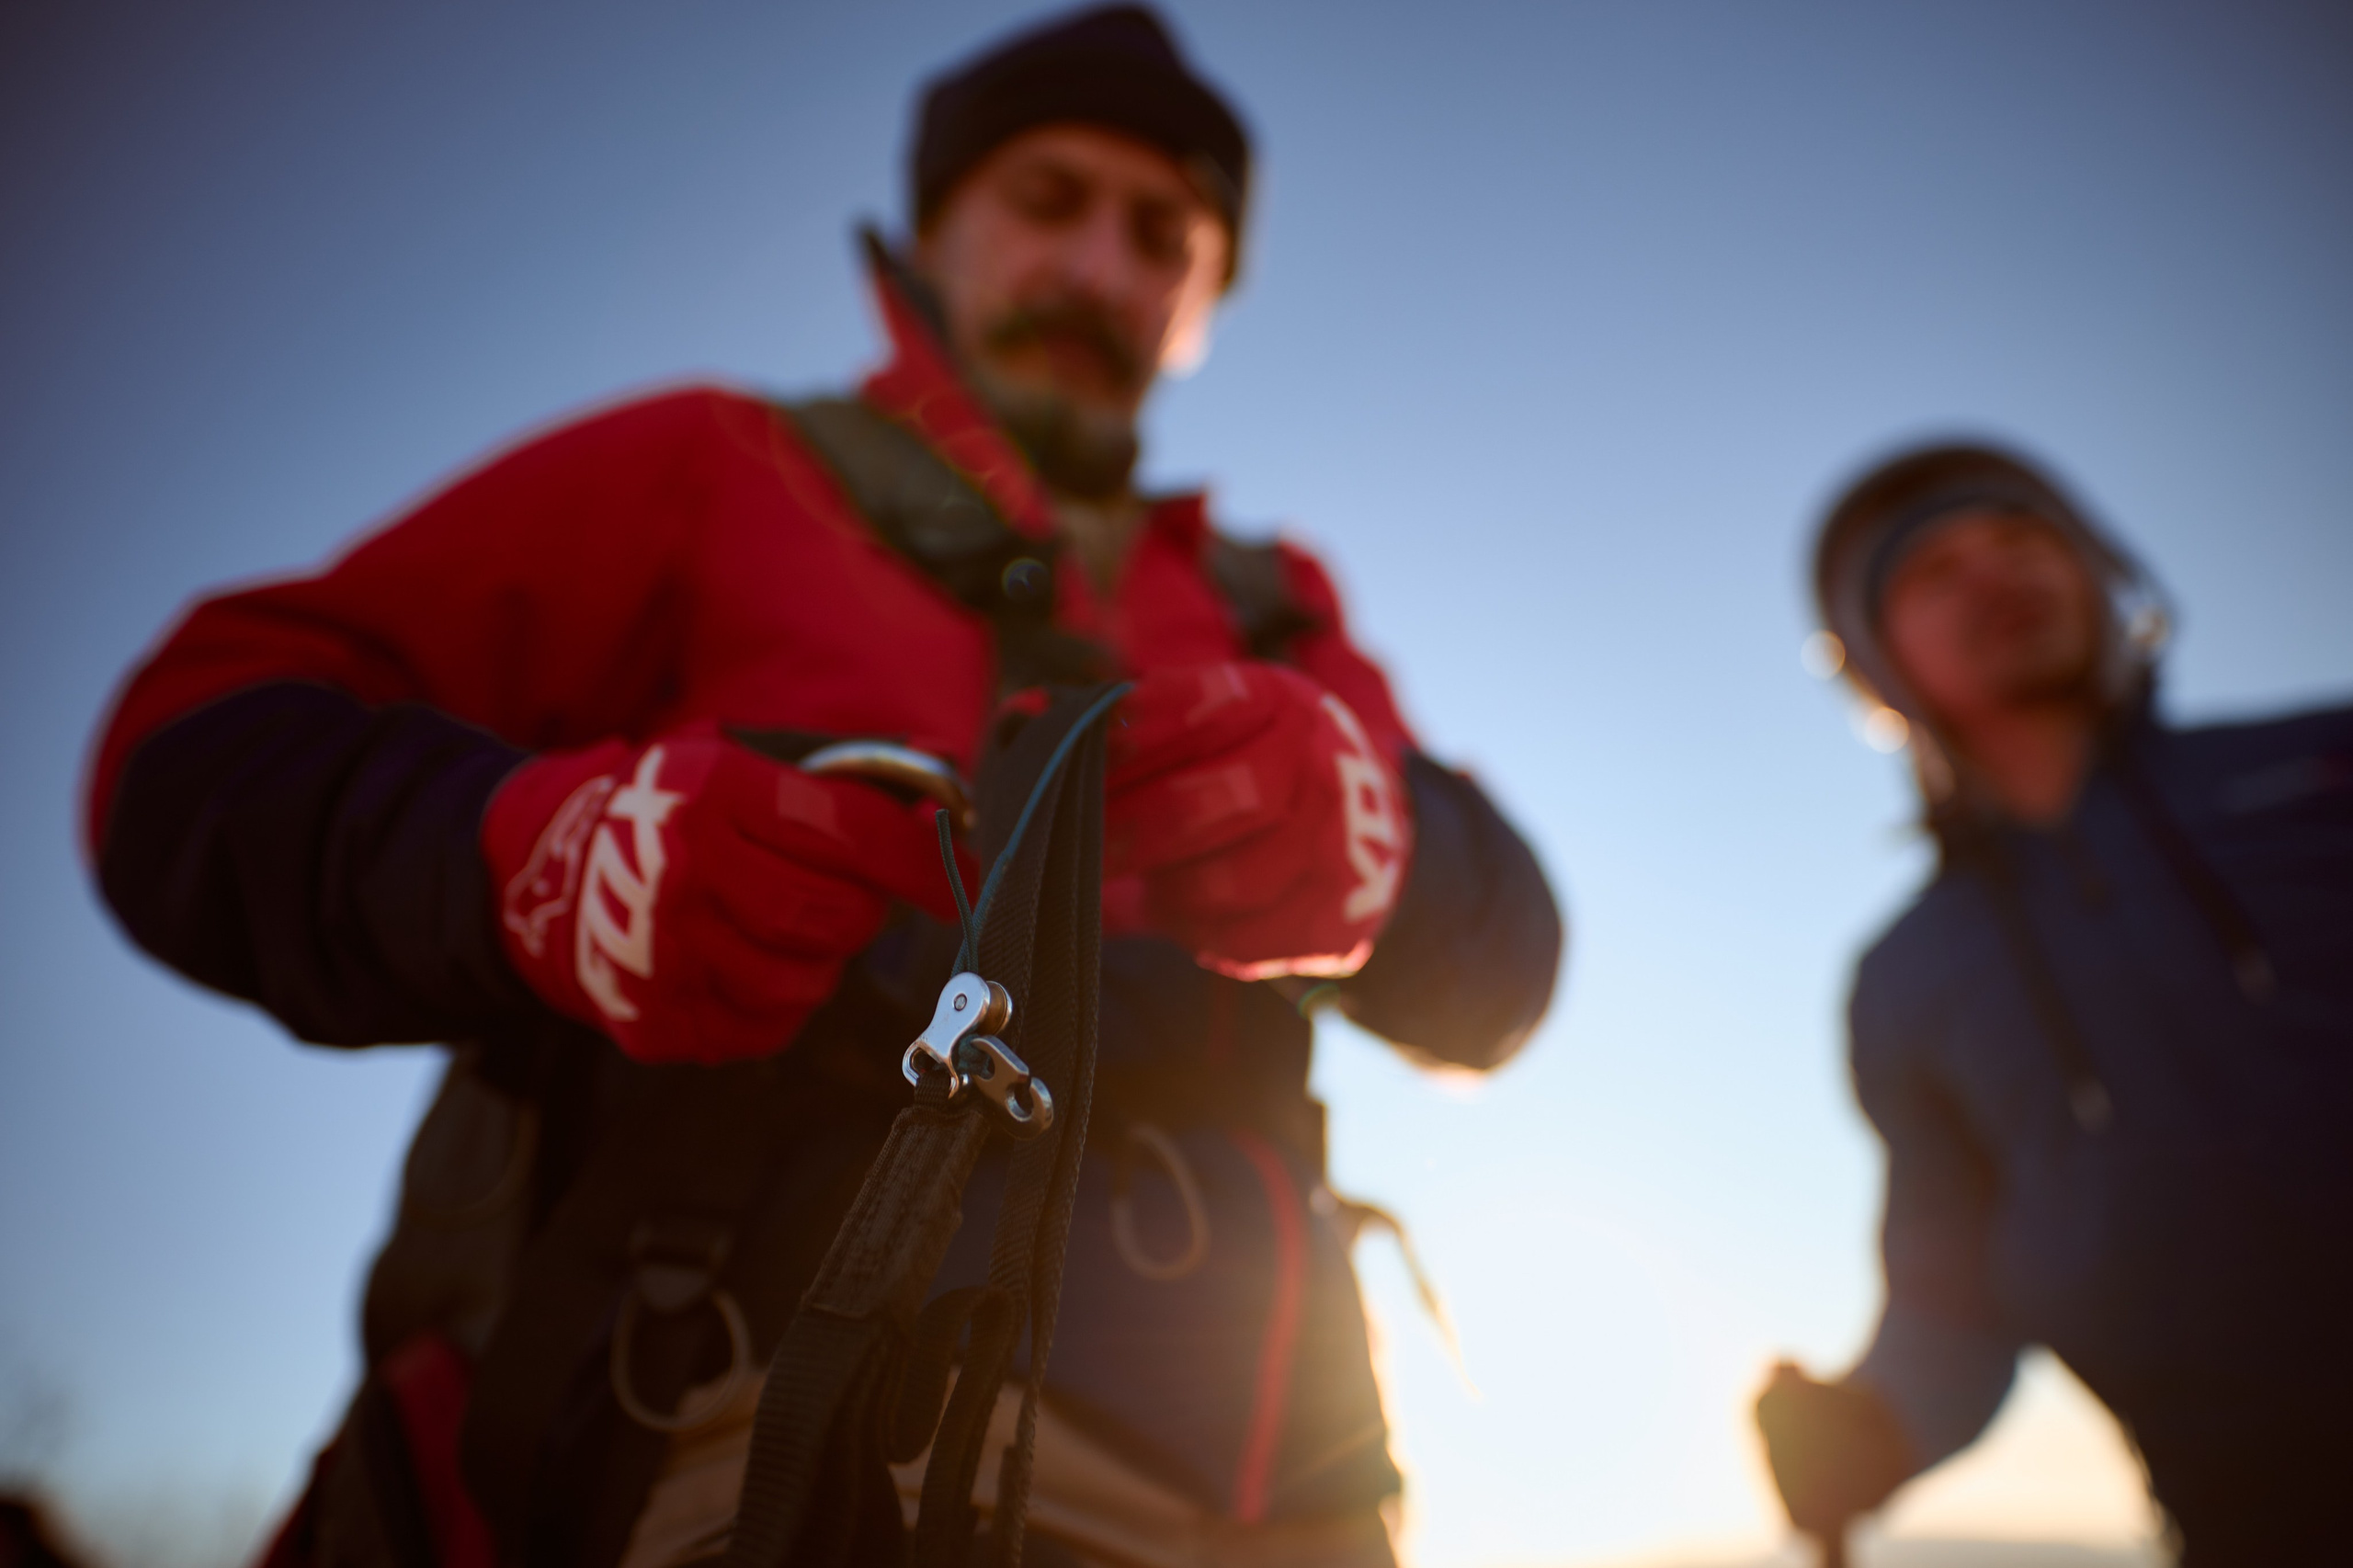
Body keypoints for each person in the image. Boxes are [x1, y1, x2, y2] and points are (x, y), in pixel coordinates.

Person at [85, 7, 1563, 1568]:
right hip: (754, 1427)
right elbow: (188, 750)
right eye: (1049, 200)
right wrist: (539, 858)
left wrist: (1386, 854)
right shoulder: (724, 466)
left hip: (1290, 1492)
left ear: (1198, 306)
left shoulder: (1277, 609)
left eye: (1162, 239)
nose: (1100, 269)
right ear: (933, 232)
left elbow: (1510, 968)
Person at [1756, 442, 2353, 1563]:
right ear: (1880, 668)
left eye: (2023, 538)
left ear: (2095, 569)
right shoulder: (1906, 980)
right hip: (2252, 1519)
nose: (1995, 573)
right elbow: (1954, 1290)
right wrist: (1870, 1428)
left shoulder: (2325, 767)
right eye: (1934, 571)